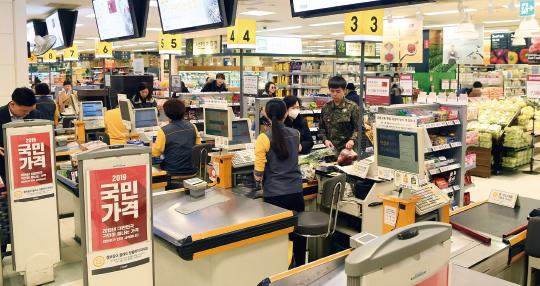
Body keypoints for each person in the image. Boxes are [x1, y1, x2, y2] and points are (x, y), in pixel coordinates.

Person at [254, 99, 306, 267]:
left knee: (277, 239)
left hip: (275, 197)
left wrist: (256, 179)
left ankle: (281, 272)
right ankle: (299, 269)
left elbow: (258, 173)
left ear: (266, 116)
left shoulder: (263, 138)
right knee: (298, 235)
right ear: (286, 114)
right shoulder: (295, 134)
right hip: (296, 193)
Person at [152, 99, 202, 179]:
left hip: (172, 173)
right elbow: (199, 147)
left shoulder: (163, 131)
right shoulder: (192, 127)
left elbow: (155, 153)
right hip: (191, 172)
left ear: (167, 114)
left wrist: (152, 146)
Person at [0, 88, 42, 180]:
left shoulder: (35, 114)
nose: (27, 113)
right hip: (5, 164)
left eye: (29, 110)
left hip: (29, 163)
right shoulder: (1, 114)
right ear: (12, 104)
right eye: (23, 111)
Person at [318, 76, 359, 156]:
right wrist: (325, 140)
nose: (334, 94)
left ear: (344, 91)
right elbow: (321, 128)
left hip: (347, 152)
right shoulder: (326, 107)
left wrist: (352, 140)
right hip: (330, 152)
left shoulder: (352, 107)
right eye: (332, 91)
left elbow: (359, 128)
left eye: (338, 91)